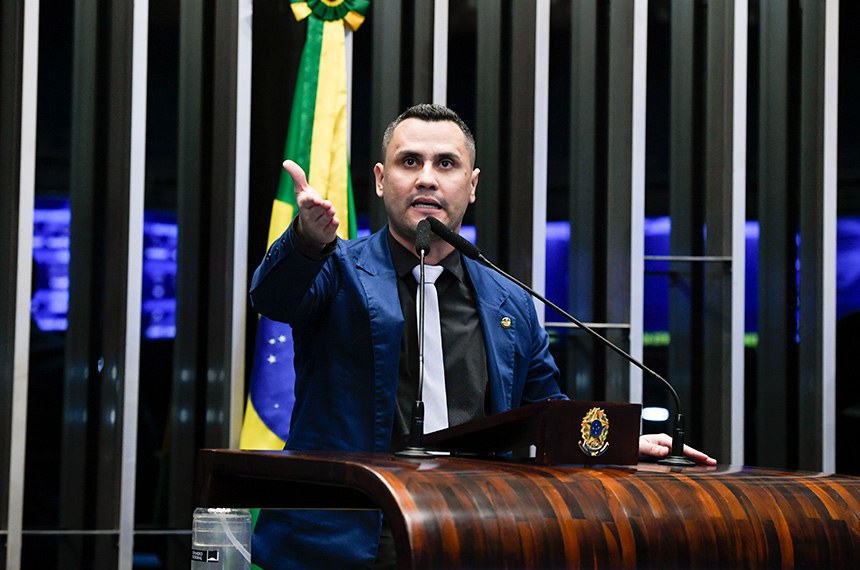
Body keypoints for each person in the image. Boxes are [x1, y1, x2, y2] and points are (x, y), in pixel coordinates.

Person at [249, 104, 715, 569]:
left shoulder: (507, 299)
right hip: (341, 544)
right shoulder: (336, 268)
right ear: (379, 179)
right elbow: (274, 299)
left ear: (471, 186)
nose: (426, 178)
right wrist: (307, 243)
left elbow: (545, 411)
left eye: (445, 164)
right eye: (409, 161)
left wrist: (616, 443)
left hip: (471, 534)